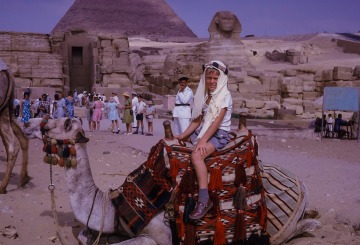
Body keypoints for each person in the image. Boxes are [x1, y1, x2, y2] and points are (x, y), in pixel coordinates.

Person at [174, 60, 232, 220]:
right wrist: (182, 135)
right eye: (209, 78)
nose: (212, 82)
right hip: (205, 131)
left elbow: (216, 122)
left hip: (219, 133)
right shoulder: (205, 95)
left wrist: (202, 141)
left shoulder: (224, 96)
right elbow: (197, 121)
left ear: (221, 80)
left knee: (196, 155)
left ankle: (204, 200)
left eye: (216, 78)